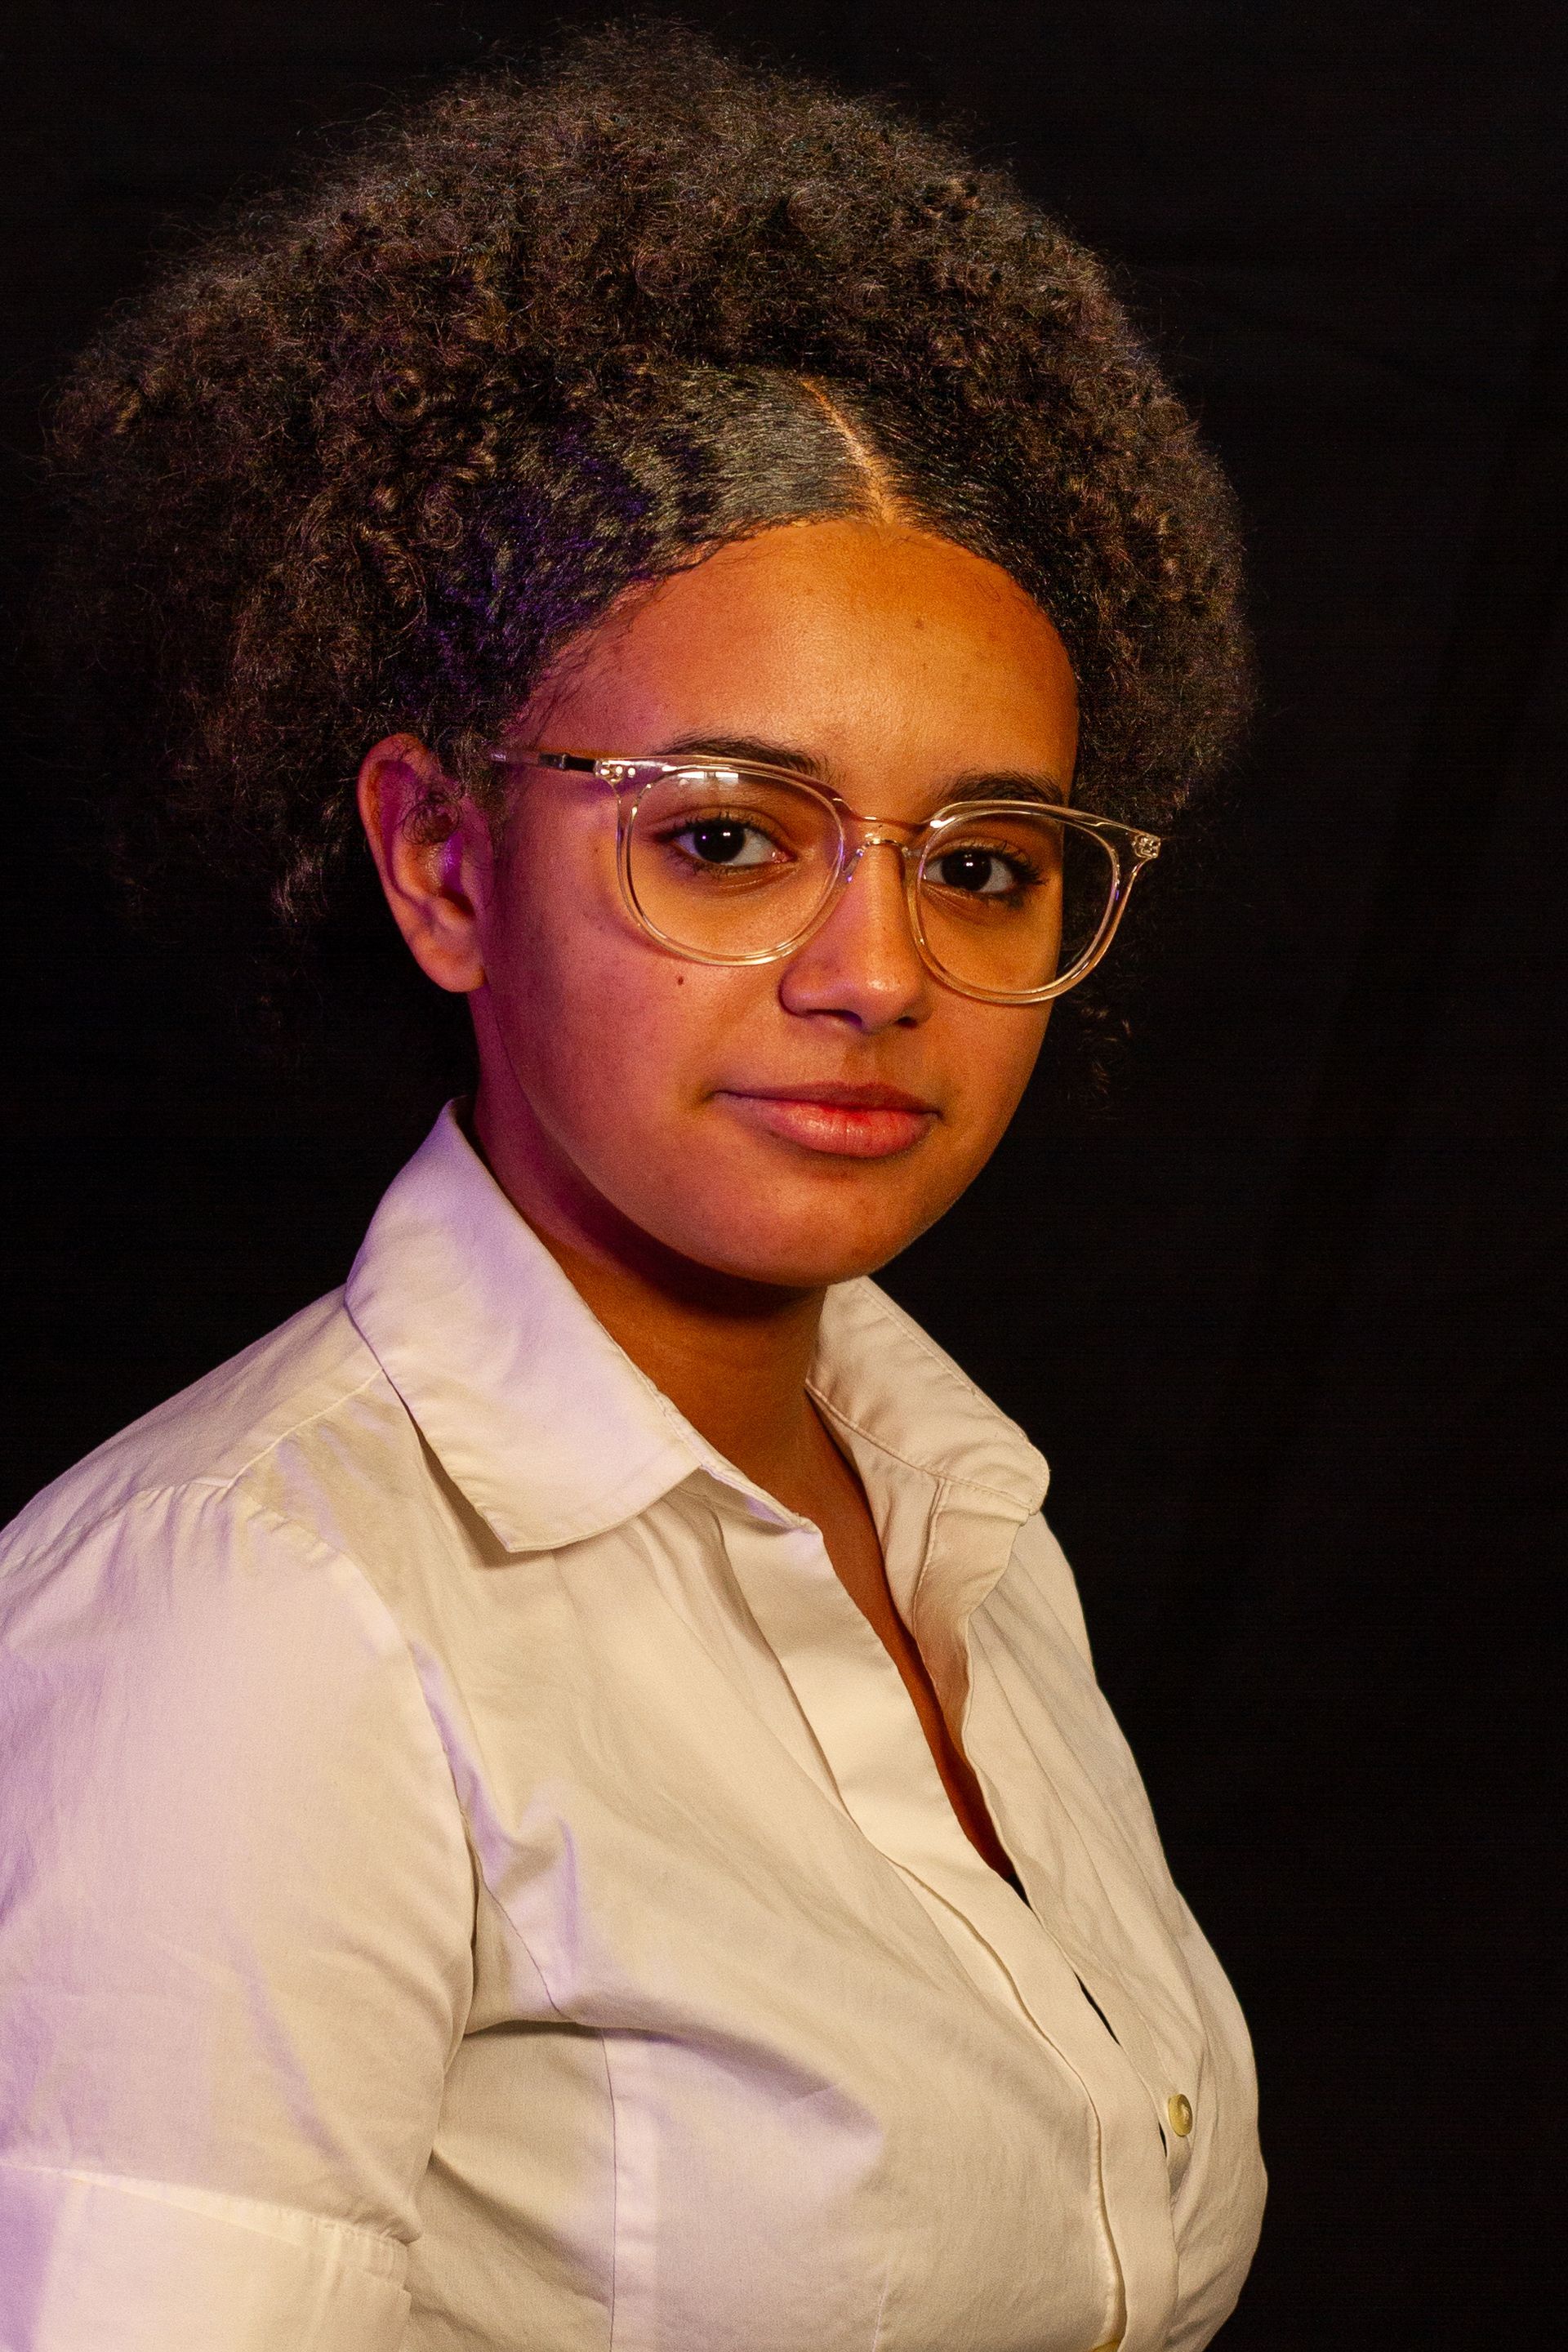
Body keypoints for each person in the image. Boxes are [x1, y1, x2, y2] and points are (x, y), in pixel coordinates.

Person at [0, 24, 1265, 2351]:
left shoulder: (962, 1515)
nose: (877, 971)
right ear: (446, 863)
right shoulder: (257, 1624)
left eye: (984, 865)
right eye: (722, 838)